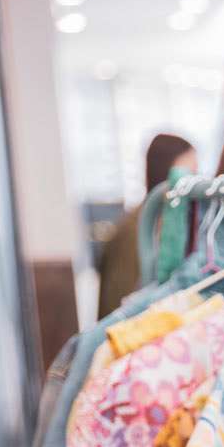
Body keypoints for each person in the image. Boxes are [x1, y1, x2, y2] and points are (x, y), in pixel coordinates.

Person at [96, 132, 195, 318]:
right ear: (167, 173)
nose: (195, 183)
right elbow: (119, 304)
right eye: (189, 173)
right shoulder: (136, 229)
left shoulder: (167, 221)